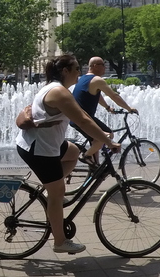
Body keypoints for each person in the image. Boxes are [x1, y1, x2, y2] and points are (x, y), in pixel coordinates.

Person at [15, 55, 120, 254]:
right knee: (57, 194)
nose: (79, 73)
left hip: (47, 144)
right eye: (75, 69)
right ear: (65, 71)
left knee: (73, 152)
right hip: (39, 149)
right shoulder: (58, 92)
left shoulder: (58, 89)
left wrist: (103, 134)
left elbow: (83, 114)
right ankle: (60, 242)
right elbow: (82, 121)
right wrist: (108, 142)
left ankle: (52, 193)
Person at [70, 57, 138, 158]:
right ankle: (85, 157)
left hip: (78, 118)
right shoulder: (97, 80)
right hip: (83, 119)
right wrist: (129, 108)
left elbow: (97, 95)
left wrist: (107, 107)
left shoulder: (84, 78)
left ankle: (95, 169)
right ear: (94, 66)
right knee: (106, 136)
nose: (105, 67)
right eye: (102, 64)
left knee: (96, 141)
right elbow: (114, 96)